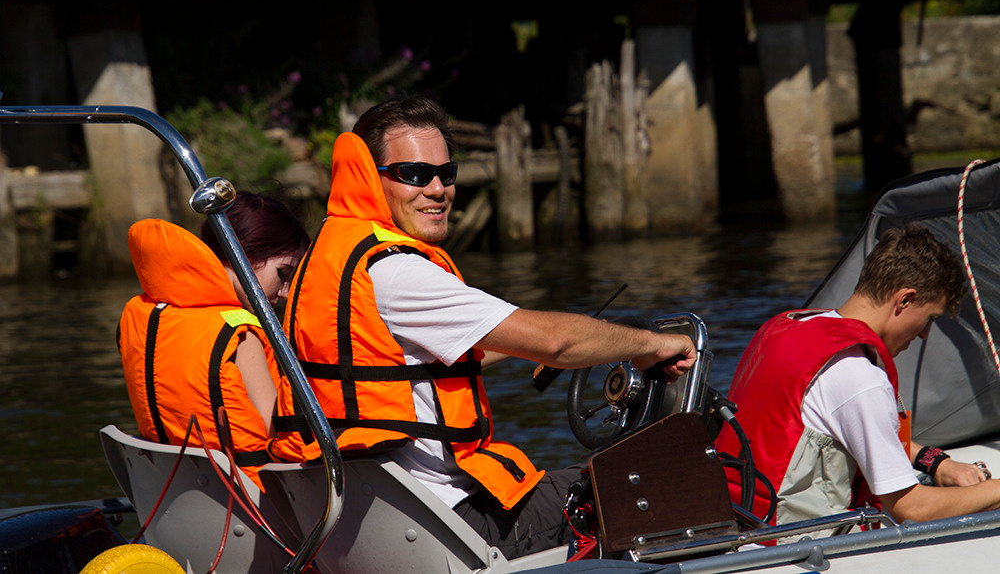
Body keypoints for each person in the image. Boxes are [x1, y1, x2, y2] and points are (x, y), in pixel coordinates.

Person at [272, 95, 697, 559]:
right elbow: (559, 341)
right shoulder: (397, 274)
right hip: (451, 525)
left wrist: (526, 347)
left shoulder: (327, 260)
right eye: (414, 174)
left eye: (446, 173)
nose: (437, 189)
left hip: (367, 525)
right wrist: (652, 343)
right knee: (650, 482)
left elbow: (396, 368)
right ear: (371, 180)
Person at [716, 224, 1000, 533]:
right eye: (929, 318)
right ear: (904, 300)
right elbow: (913, 509)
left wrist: (935, 462)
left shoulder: (785, 327)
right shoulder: (860, 377)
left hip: (741, 516)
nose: (923, 334)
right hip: (792, 541)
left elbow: (854, 427)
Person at [117, 192, 310, 490]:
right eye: (283, 273)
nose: (285, 291)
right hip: (252, 502)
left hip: (173, 496)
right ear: (246, 256)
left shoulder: (146, 315)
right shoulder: (240, 334)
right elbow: (278, 428)